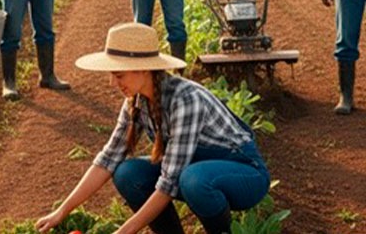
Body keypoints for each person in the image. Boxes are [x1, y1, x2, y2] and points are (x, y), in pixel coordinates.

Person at [34, 23, 270, 234]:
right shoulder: (136, 102)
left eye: (119, 75)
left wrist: (124, 232)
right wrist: (62, 212)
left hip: (243, 174)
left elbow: (169, 183)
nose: (112, 83)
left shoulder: (186, 100)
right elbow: (107, 159)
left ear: (144, 69)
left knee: (194, 180)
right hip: (192, 172)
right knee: (128, 173)